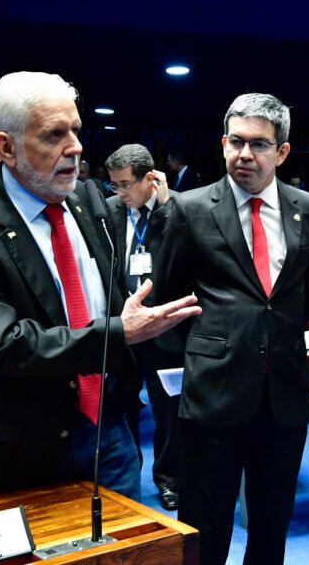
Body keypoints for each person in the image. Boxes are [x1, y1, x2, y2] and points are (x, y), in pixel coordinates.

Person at [0, 72, 201, 501]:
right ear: (6, 147)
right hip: (16, 444)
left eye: (75, 129)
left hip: (107, 430)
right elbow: (6, 345)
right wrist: (120, 332)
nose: (74, 146)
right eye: (54, 135)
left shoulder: (85, 199)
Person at [155, 93, 309, 565]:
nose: (244, 154)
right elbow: (168, 300)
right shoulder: (188, 209)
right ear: (223, 143)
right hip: (214, 394)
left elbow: (306, 294)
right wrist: (209, 349)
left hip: (285, 394)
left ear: (283, 152)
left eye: (258, 145)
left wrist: (268, 335)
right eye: (235, 142)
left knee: (272, 528)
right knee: (205, 526)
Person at [103, 143, 183, 511]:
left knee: (168, 409)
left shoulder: (178, 209)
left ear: (151, 178)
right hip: (122, 326)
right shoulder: (109, 212)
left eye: (125, 185)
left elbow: (184, 257)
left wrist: (166, 211)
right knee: (123, 404)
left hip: (165, 328)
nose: (119, 193)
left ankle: (168, 479)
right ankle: (129, 470)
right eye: (114, 185)